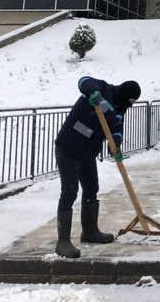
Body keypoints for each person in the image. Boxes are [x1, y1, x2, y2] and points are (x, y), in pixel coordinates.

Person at [53, 75, 141, 258]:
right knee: (70, 191)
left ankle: (90, 232)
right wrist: (95, 94)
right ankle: (62, 242)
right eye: (131, 100)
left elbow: (116, 128)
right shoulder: (104, 89)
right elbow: (84, 81)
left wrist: (115, 145)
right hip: (69, 147)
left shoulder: (119, 108)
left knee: (92, 187)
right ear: (125, 95)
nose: (132, 104)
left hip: (87, 152)